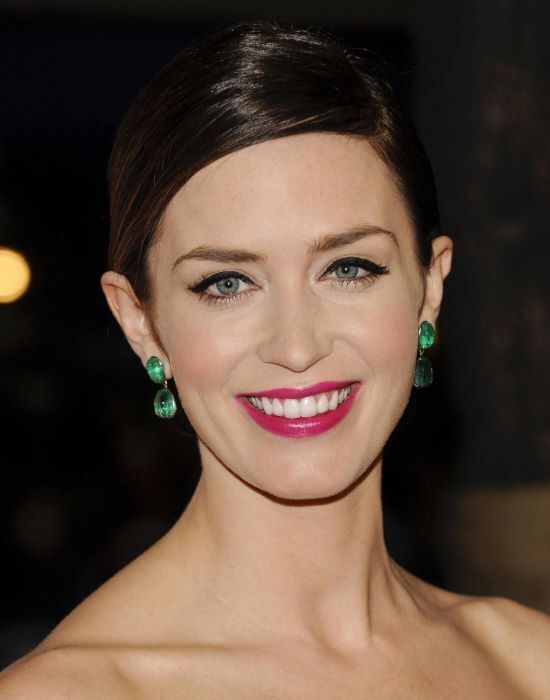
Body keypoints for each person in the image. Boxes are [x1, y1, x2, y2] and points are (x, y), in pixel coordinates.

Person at [1, 19, 549, 698]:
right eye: (227, 283)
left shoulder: (527, 662)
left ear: (429, 289)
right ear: (140, 323)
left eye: (348, 268)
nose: (296, 347)